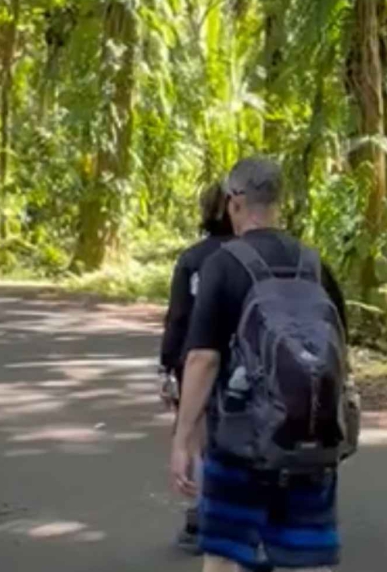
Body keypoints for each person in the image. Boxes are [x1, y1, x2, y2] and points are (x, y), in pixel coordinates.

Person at [171, 156, 351, 572]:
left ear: (234, 203)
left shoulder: (224, 264)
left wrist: (183, 439)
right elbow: (339, 349)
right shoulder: (312, 262)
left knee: (225, 556)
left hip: (238, 445)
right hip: (307, 441)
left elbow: (202, 358)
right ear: (278, 201)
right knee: (308, 559)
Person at [160, 181, 234, 551]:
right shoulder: (253, 254)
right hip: (249, 364)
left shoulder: (193, 259)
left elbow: (177, 318)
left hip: (198, 359)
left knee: (195, 437)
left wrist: (167, 367)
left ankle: (198, 518)